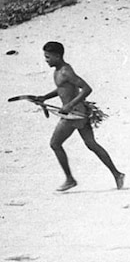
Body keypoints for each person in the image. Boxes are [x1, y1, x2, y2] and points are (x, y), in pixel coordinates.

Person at [36, 41, 124, 192]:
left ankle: (70, 179)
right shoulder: (58, 70)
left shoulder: (65, 71)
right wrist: (44, 97)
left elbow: (87, 88)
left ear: (57, 56)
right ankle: (117, 174)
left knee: (55, 144)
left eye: (48, 57)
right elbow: (62, 89)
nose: (46, 60)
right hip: (80, 113)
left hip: (73, 115)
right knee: (91, 144)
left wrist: (69, 105)